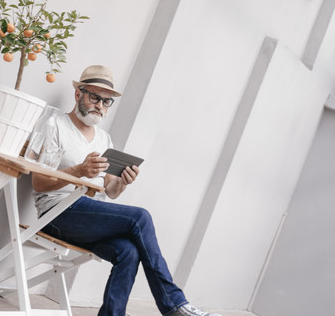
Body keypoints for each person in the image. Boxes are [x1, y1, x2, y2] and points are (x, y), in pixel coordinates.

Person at [32, 65, 220, 316]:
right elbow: (38, 183)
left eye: (107, 101)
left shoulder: (104, 139)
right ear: (78, 94)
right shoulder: (56, 125)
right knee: (140, 217)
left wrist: (123, 182)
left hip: (87, 216)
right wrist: (79, 170)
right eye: (94, 97)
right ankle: (174, 305)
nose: (100, 105)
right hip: (57, 213)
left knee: (128, 252)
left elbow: (110, 190)